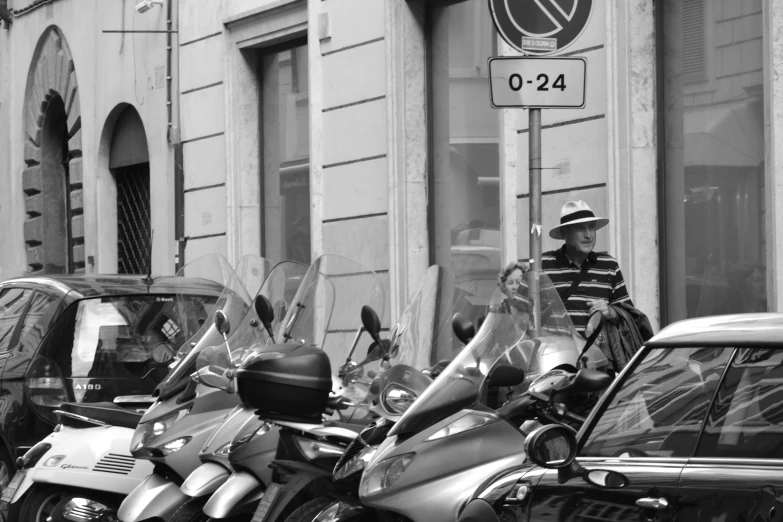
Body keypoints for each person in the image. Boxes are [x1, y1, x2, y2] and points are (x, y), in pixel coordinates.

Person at [539, 200, 633, 336]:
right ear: (565, 234)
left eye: (592, 227)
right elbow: (519, 315)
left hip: (597, 356)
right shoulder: (543, 265)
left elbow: (630, 317)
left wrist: (611, 312)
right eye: (580, 229)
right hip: (556, 355)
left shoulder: (609, 266)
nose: (588, 235)